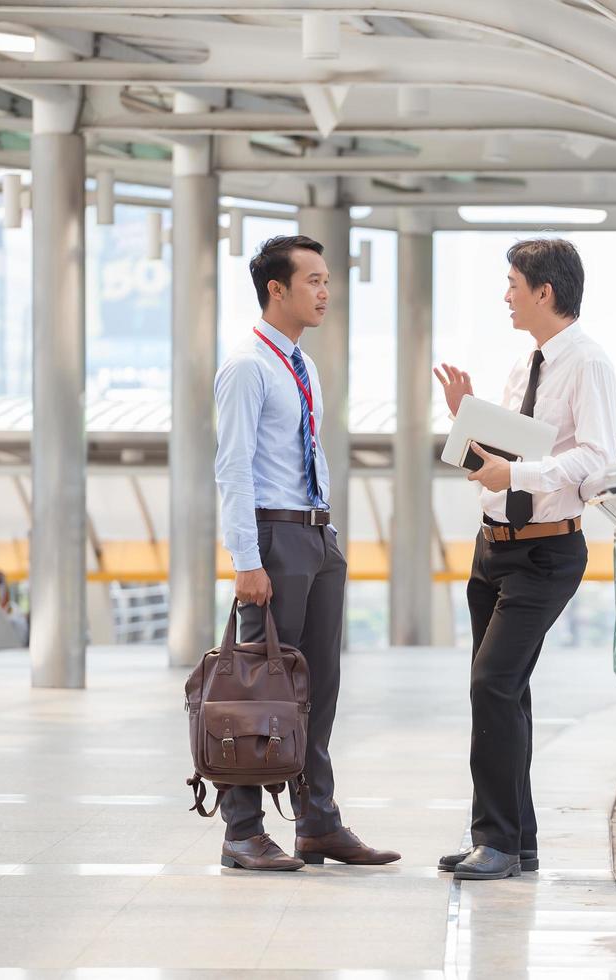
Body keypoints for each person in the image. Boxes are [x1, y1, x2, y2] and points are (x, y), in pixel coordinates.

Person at [432, 238, 616, 880]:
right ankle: (518, 840)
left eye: (513, 283)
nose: (506, 295)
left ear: (545, 291)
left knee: (494, 683)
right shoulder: (524, 367)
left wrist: (514, 472)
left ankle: (497, 840)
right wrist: (467, 423)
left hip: (546, 553)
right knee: (505, 691)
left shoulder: (588, 364)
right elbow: (511, 454)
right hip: (495, 551)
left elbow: (595, 457)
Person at [212, 234, 400, 872]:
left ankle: (317, 822)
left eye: (326, 280)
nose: (326, 291)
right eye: (314, 280)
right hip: (271, 537)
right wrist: (246, 559)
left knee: (317, 688)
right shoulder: (247, 366)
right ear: (277, 290)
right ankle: (242, 830)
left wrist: (328, 538)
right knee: (258, 690)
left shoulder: (302, 365)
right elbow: (233, 468)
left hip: (317, 537)